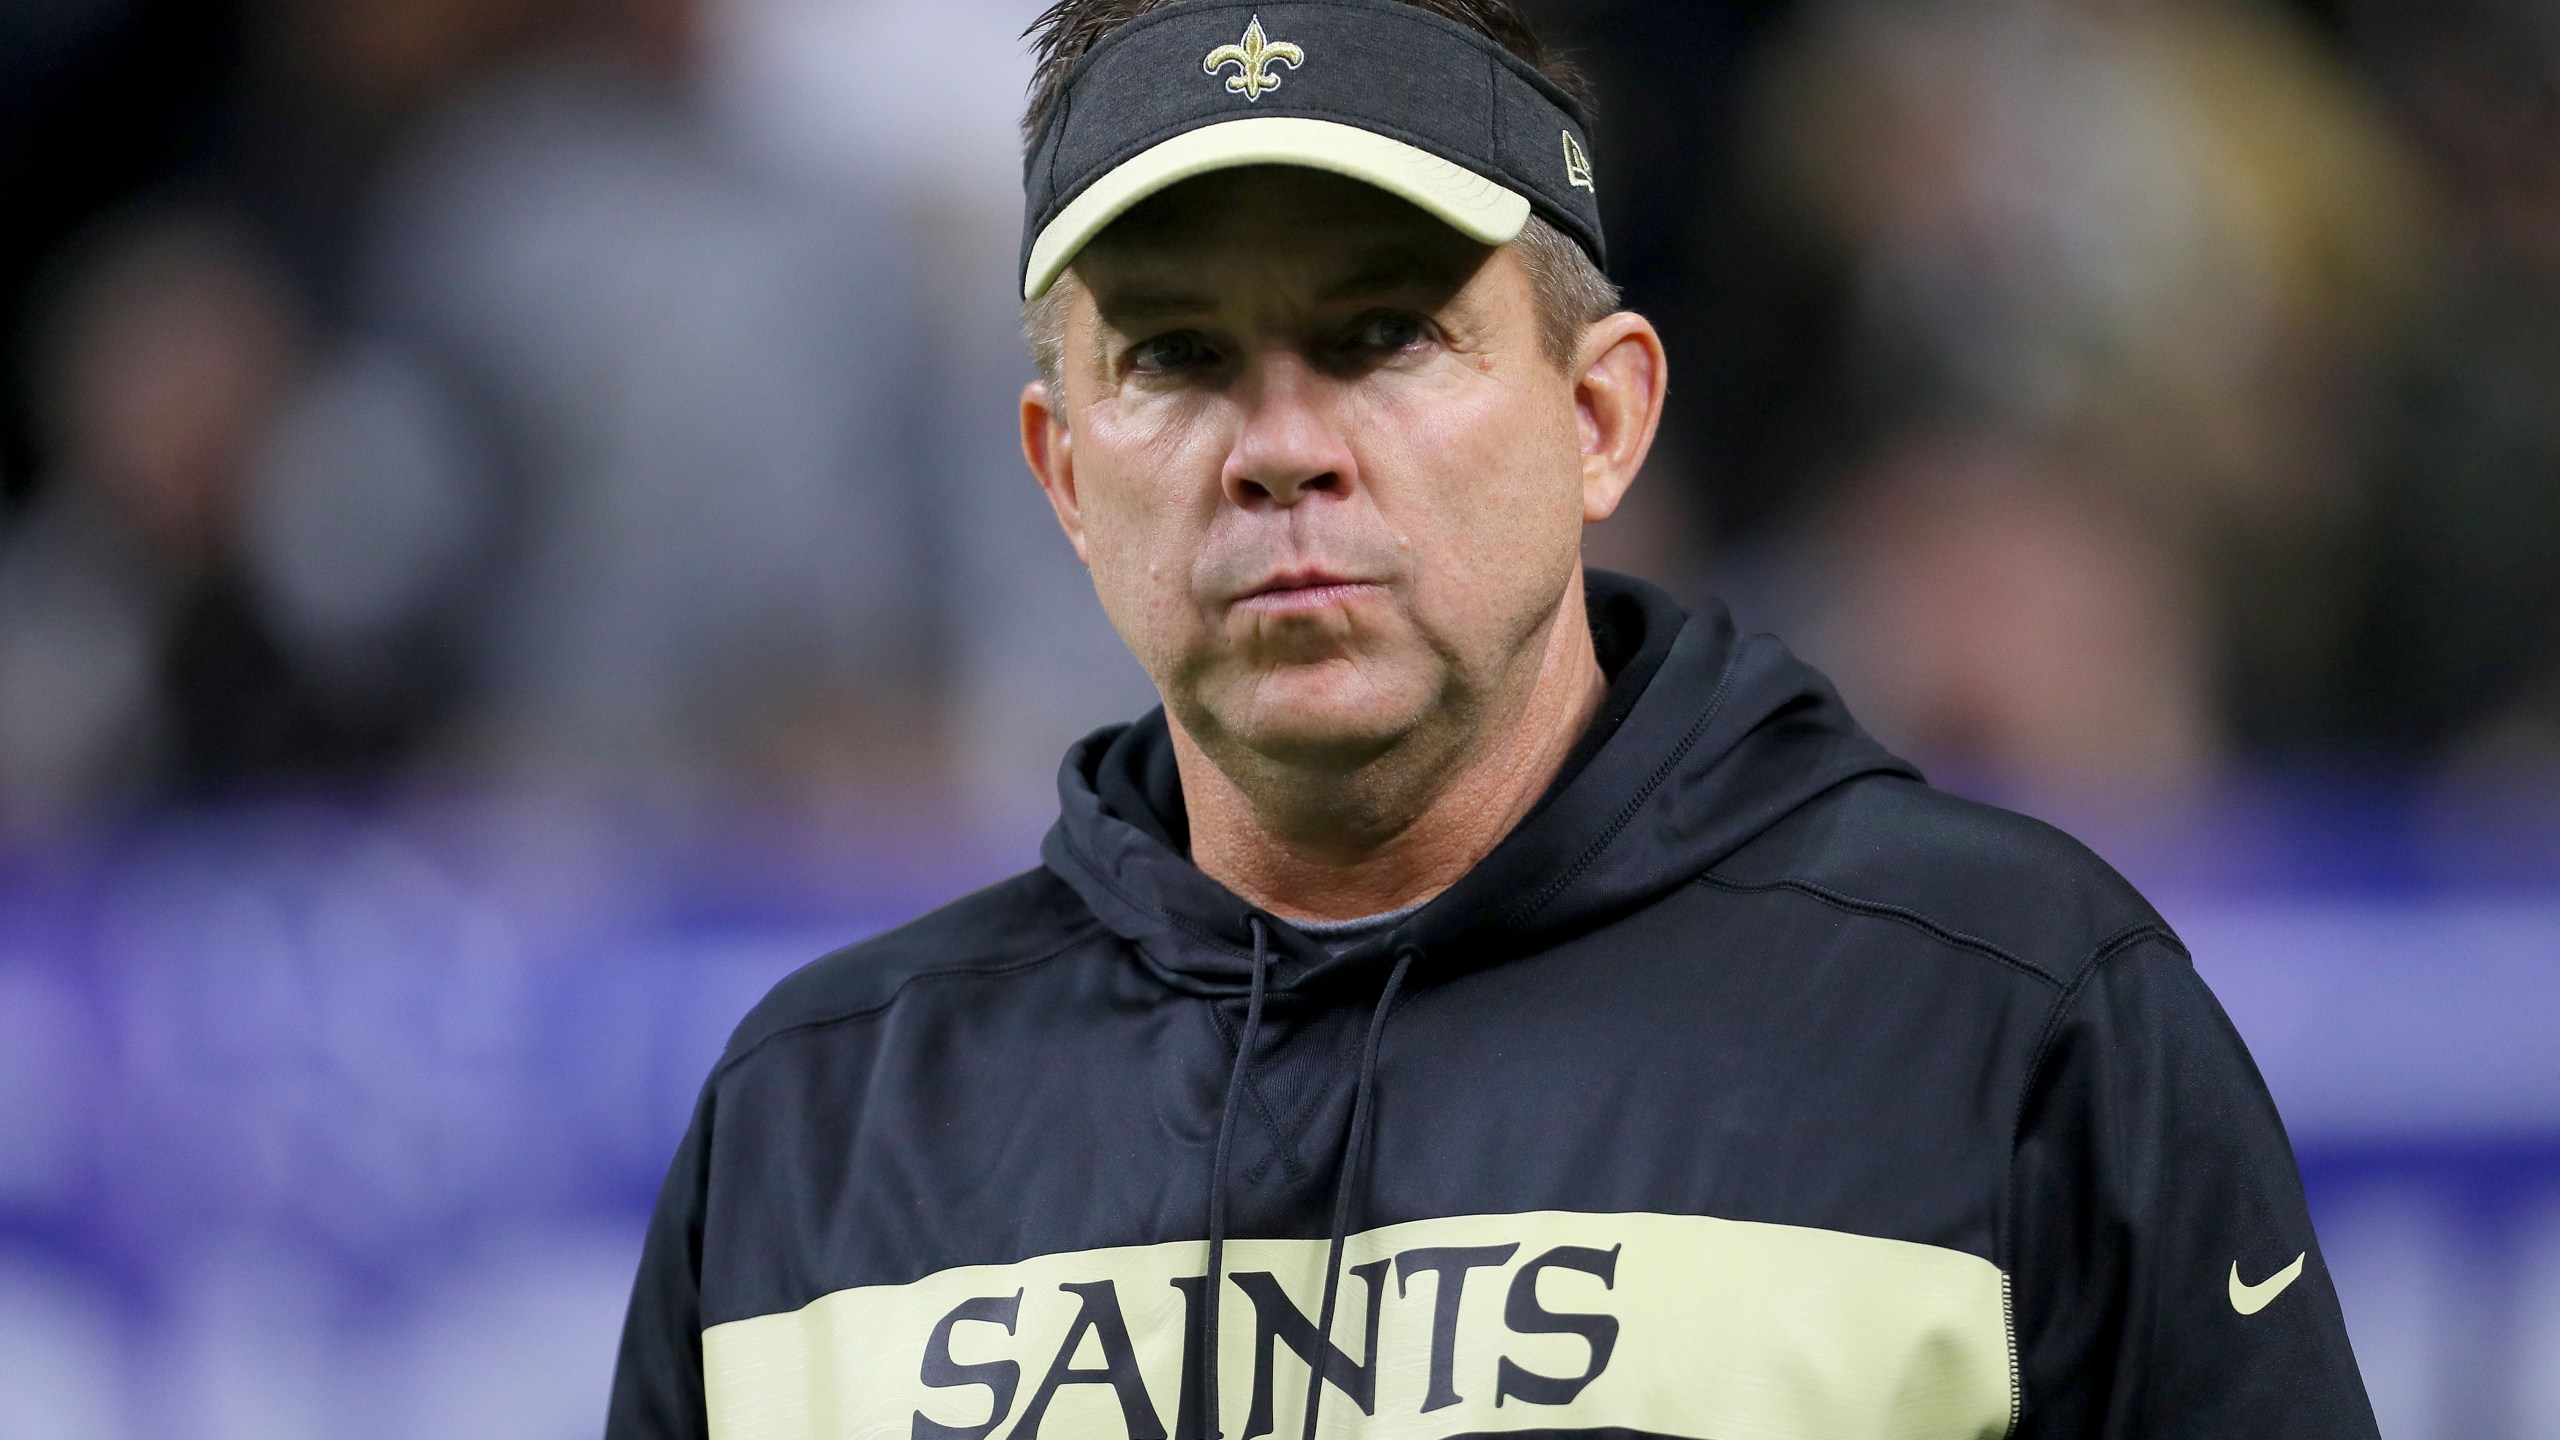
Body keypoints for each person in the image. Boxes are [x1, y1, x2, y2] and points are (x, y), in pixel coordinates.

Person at [607, 1, 2377, 1435]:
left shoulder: (2006, 1015)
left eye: (1384, 335)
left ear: (1601, 420)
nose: (1279, 448)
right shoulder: (815, 1125)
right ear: (1065, 474)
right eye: (1176, 356)